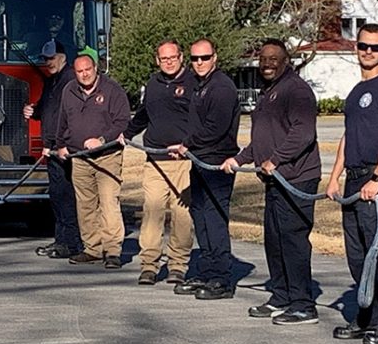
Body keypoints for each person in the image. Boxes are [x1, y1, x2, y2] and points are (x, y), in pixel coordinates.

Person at [324, 23, 378, 344]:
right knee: (358, 255)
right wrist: (335, 176)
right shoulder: (355, 92)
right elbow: (349, 138)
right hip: (353, 180)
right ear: (356, 47)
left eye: (375, 48)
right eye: (363, 46)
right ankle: (370, 319)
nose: (368, 52)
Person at [222, 39, 322, 324]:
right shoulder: (269, 92)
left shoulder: (297, 91)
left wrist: (276, 160)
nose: (267, 64)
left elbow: (303, 133)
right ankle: (281, 297)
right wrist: (239, 160)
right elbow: (261, 140)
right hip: (274, 181)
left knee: (293, 242)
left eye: (273, 59)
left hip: (297, 180)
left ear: (285, 61)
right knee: (274, 240)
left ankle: (303, 304)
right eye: (263, 59)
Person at [166, 38, 240, 300]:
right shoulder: (199, 86)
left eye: (204, 58)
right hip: (199, 161)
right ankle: (207, 271)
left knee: (214, 219)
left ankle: (221, 278)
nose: (199, 63)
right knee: (200, 217)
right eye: (195, 58)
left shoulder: (221, 88)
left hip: (217, 163)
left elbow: (215, 129)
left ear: (215, 58)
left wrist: (186, 144)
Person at [123, 39, 195, 286]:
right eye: (164, 59)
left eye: (173, 57)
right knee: (152, 211)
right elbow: (144, 113)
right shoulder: (153, 84)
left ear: (181, 57)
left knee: (181, 215)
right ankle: (149, 265)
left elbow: (200, 120)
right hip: (155, 159)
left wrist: (190, 144)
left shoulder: (193, 83)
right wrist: (127, 132)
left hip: (184, 161)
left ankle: (177, 265)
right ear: (157, 60)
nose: (169, 62)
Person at [55, 55, 130, 269]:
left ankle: (113, 250)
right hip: (79, 157)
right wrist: (60, 144)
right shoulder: (69, 90)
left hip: (107, 156)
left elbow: (123, 121)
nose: (85, 74)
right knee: (85, 205)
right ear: (74, 72)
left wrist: (102, 140)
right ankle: (92, 248)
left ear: (95, 68)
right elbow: (63, 119)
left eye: (88, 69)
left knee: (108, 203)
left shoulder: (112, 90)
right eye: (80, 71)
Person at [25, 40, 83, 259]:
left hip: (64, 149)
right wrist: (33, 110)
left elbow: (71, 114)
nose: (48, 62)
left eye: (51, 57)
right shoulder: (52, 81)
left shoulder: (70, 80)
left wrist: (63, 144)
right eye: (45, 58)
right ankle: (60, 240)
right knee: (57, 196)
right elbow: (46, 108)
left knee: (66, 196)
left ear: (63, 57)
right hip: (50, 148)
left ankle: (72, 243)